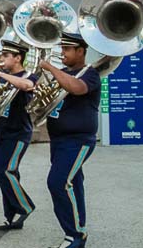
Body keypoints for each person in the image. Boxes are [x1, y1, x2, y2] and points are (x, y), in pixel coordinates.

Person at [38, 33, 101, 248]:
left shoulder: (90, 74)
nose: (62, 53)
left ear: (80, 51)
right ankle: (79, 228)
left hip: (79, 139)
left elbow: (76, 88)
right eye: (62, 48)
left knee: (57, 182)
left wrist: (50, 68)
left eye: (67, 49)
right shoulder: (64, 73)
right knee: (73, 183)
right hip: (59, 139)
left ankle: (74, 235)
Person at [0, 40, 38, 231]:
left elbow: (25, 85)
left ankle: (25, 206)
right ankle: (10, 217)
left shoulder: (29, 75)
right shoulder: (4, 78)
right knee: (10, 173)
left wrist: (0, 74)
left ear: (18, 58)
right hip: (3, 130)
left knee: (2, 170)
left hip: (18, 133)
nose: (2, 59)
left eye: (6, 56)